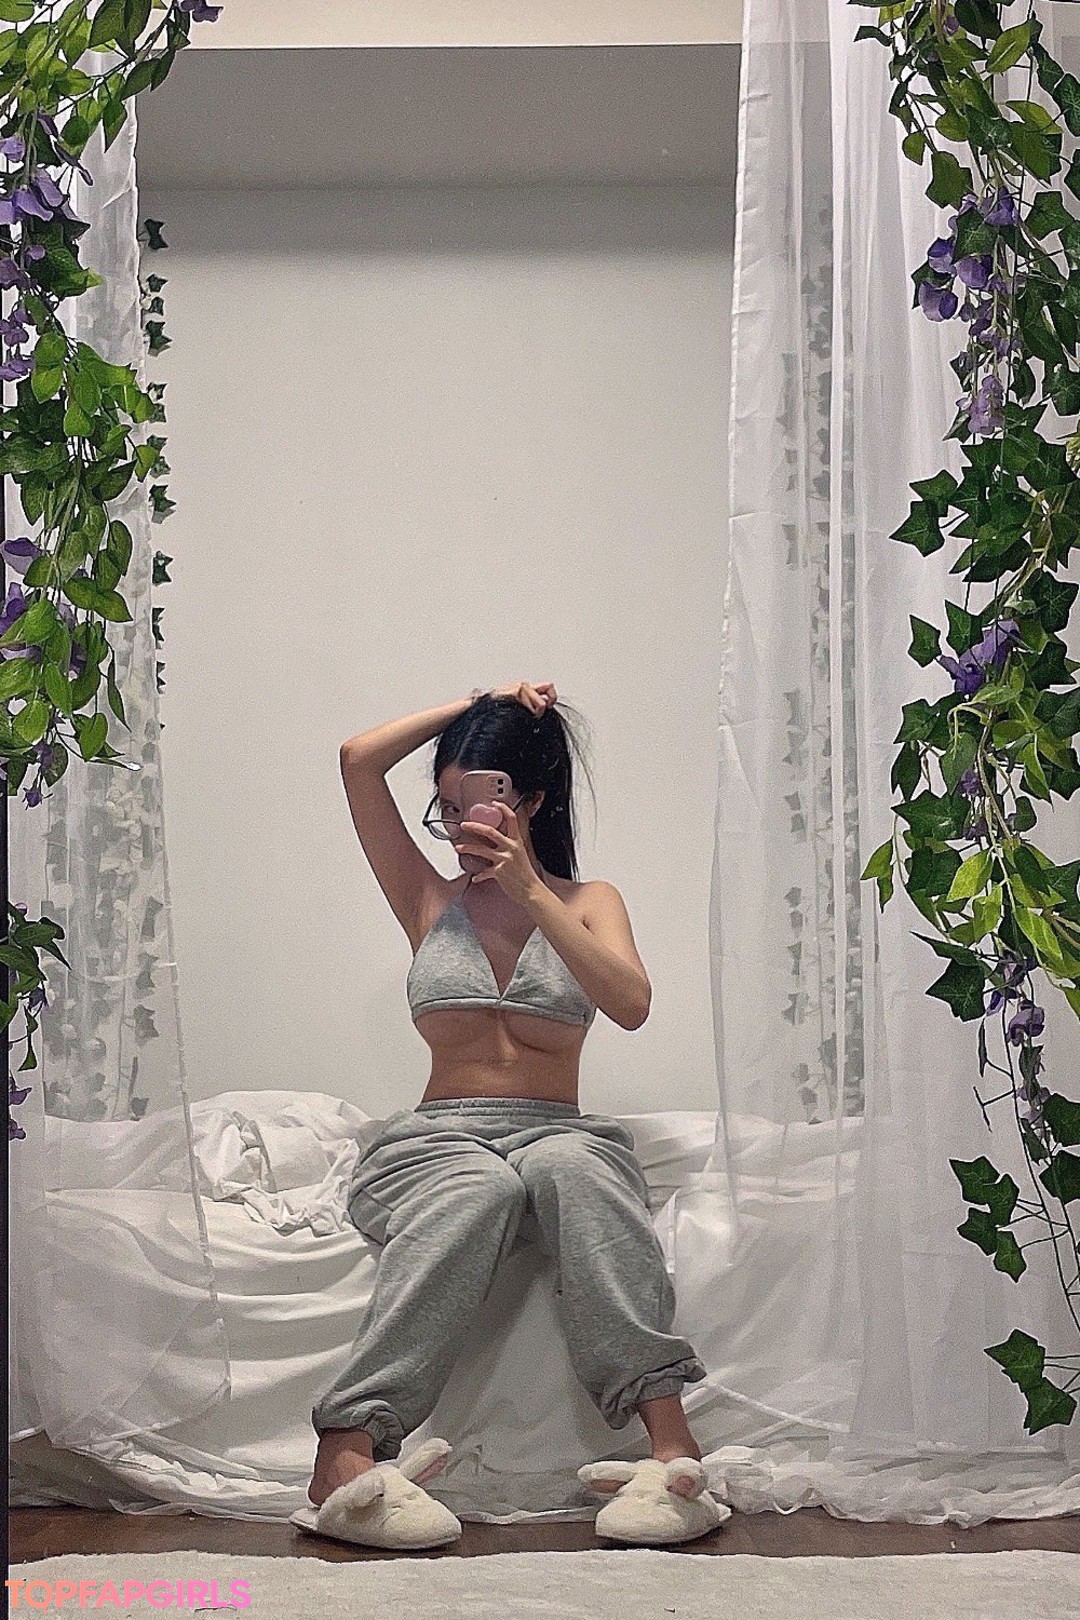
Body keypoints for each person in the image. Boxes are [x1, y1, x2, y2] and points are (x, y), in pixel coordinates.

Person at [306, 680, 712, 1533]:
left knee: (579, 1173)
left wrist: (531, 892)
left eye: (479, 805)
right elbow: (357, 760)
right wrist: (477, 701)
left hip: (556, 1129)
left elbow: (631, 1004)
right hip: (437, 1139)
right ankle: (346, 1448)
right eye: (446, 810)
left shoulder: (591, 902)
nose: (460, 829)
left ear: (528, 799)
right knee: (477, 1190)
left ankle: (673, 1453)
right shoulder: (428, 899)